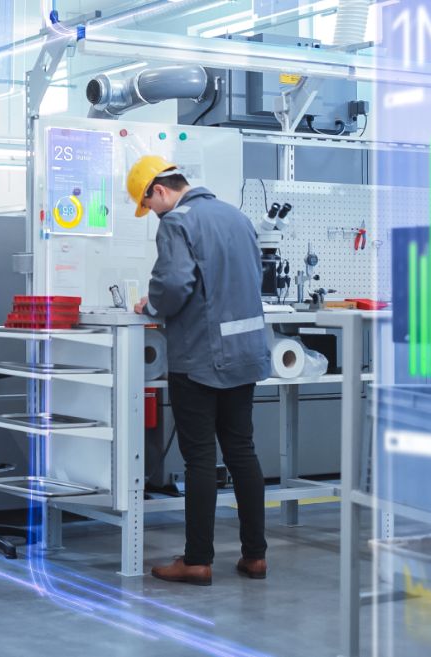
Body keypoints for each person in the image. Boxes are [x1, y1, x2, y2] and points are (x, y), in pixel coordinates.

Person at [127, 155, 272, 586]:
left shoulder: (177, 222)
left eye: (147, 204)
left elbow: (174, 285)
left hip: (200, 357)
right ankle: (256, 556)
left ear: (159, 190)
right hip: (245, 352)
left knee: (200, 460)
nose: (151, 212)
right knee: (242, 452)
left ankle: (197, 560)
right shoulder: (236, 215)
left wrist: (149, 307)